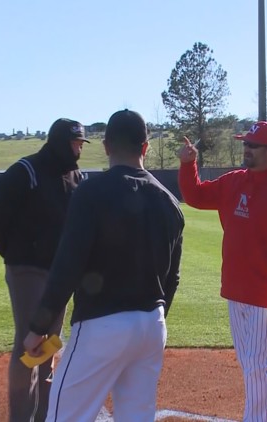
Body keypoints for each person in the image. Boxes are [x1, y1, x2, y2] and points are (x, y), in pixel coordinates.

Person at [23, 109, 184, 421]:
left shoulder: (91, 192)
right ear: (146, 147)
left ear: (107, 145)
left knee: (64, 415)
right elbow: (172, 279)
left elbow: (67, 266)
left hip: (101, 326)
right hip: (152, 324)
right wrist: (153, 320)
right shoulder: (170, 202)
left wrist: (38, 328)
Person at [177, 121, 267, 421]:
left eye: (254, 145)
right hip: (236, 289)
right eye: (245, 144)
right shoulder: (234, 181)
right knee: (250, 362)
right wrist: (188, 164)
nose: (247, 149)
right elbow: (196, 195)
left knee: (257, 363)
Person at [0, 118, 88, 421]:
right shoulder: (24, 172)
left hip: (60, 274)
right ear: (60, 142)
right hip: (28, 271)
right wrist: (18, 258)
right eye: (76, 143)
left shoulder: (76, 176)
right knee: (29, 342)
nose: (79, 149)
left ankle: (43, 414)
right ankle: (21, 415)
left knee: (49, 342)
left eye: (81, 143)